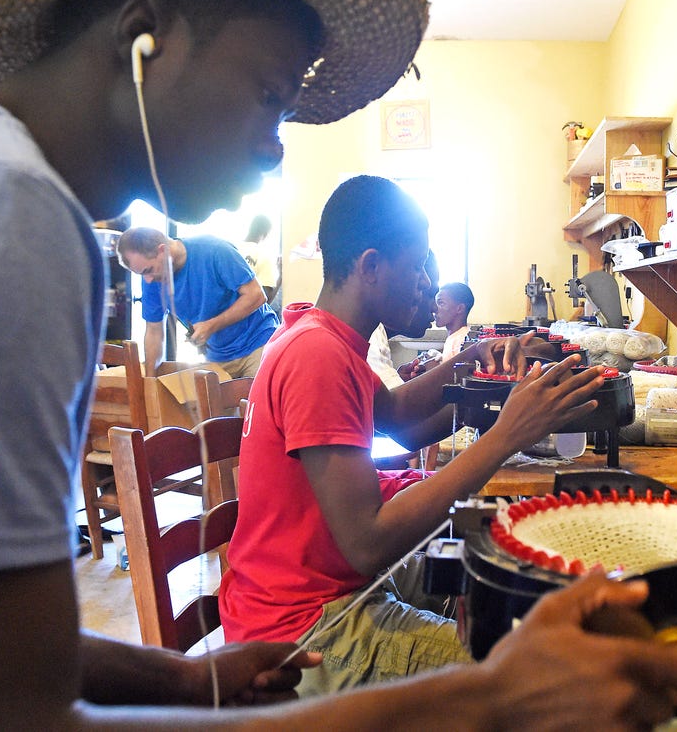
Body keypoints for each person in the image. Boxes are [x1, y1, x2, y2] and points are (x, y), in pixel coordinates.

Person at [0, 0, 677, 729]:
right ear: (143, 40)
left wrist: (181, 679)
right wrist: (491, 703)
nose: (277, 149)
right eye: (270, 94)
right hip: (315, 617)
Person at [219, 175, 629, 695]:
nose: (425, 284)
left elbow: (396, 417)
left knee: (497, 582)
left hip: (322, 593)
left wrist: (475, 364)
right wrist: (505, 435)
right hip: (307, 631)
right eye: (415, 266)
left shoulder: (316, 335)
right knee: (537, 672)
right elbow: (368, 544)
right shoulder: (317, 355)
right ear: (370, 266)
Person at [117, 226, 277, 379]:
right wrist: (149, 383)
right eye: (141, 274)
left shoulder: (213, 250)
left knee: (257, 397)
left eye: (148, 270)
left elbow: (256, 295)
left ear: (163, 251)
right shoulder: (152, 280)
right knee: (200, 397)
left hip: (258, 341)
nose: (148, 279)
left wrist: (211, 325)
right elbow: (154, 331)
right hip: (217, 354)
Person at [369, 250, 440, 387]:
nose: (435, 308)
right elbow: (395, 401)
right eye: (431, 295)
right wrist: (472, 353)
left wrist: (396, 377)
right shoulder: (372, 339)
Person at [241, 213, 281, 312]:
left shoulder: (231, 249)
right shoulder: (263, 257)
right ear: (266, 234)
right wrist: (281, 276)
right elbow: (265, 299)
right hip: (247, 317)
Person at [435, 281, 475, 358]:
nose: (434, 308)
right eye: (436, 303)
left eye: (441, 303)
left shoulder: (461, 341)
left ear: (460, 308)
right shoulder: (454, 338)